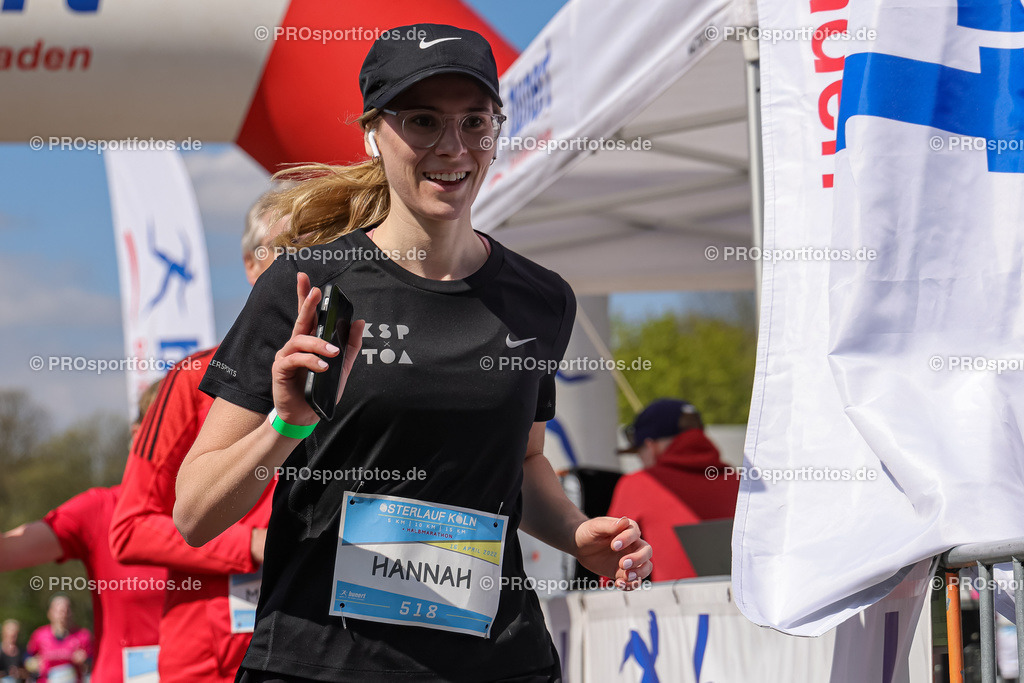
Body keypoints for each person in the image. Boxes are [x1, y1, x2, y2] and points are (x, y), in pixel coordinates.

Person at [173, 24, 653, 683]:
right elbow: (194, 513)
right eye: (423, 121)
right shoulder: (306, 285)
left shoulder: (541, 298)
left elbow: (523, 459)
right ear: (374, 133)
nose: (452, 147)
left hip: (496, 664)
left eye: (474, 122)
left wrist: (576, 532)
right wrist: (286, 424)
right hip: (324, 664)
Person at [108, 190, 289, 683]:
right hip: (207, 664)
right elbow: (130, 528)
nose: (305, 266)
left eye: (320, 250)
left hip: (322, 648)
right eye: (287, 249)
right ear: (252, 265)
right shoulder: (194, 379)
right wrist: (251, 544)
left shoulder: (360, 377)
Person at [0, 384, 167, 683]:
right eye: (170, 425)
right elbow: (7, 552)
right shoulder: (101, 510)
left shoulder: (234, 511)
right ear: (137, 434)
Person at [608, 399, 740, 581]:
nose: (641, 461)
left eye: (639, 453)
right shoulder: (740, 482)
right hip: (743, 597)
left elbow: (611, 568)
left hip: (672, 599)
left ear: (650, 446)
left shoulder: (637, 483)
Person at [25, 595, 93, 683]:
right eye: (59, 611)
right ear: (50, 613)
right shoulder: (39, 635)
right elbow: (27, 658)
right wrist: (33, 664)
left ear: (72, 613)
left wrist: (86, 660)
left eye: (67, 610)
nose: (63, 615)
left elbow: (96, 661)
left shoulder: (83, 635)